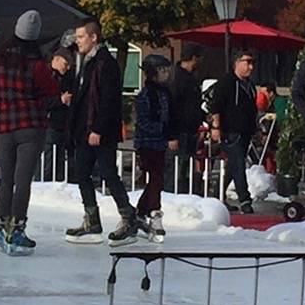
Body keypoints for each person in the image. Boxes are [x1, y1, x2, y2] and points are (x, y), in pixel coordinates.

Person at [0, 10, 60, 254]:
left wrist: (0, 111)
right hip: (30, 126)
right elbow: (51, 92)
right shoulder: (37, 65)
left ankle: (2, 227)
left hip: (3, 127)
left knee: (5, 179)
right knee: (23, 181)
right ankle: (17, 228)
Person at [64, 17, 136, 245]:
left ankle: (128, 216)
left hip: (98, 131)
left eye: (81, 37)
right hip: (84, 130)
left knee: (108, 172)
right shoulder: (85, 61)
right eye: (77, 37)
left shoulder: (106, 63)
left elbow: (109, 100)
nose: (78, 42)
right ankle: (91, 218)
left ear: (94, 37)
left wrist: (98, 128)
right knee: (82, 173)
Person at [134, 54, 179, 242]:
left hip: (160, 142)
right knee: (155, 178)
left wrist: (171, 133)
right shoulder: (145, 95)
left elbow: (171, 116)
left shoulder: (165, 93)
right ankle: (154, 212)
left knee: (157, 179)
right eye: (162, 70)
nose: (166, 74)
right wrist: (165, 130)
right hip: (147, 143)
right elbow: (144, 122)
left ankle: (140, 211)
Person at [209, 49, 258, 213]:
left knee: (232, 166)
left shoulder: (249, 85)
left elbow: (252, 109)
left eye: (252, 63)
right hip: (231, 130)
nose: (251, 67)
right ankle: (245, 199)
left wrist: (255, 128)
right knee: (238, 164)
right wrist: (216, 126)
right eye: (247, 62)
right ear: (237, 63)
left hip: (246, 130)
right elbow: (215, 105)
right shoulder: (227, 82)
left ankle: (215, 196)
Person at [169, 43, 206, 191]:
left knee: (185, 168)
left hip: (190, 130)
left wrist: (202, 116)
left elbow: (193, 105)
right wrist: (171, 135)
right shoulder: (177, 78)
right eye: (199, 58)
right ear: (193, 58)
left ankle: (183, 195)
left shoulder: (190, 78)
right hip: (179, 132)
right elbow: (172, 107)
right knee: (177, 170)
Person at [44, 48, 75, 181]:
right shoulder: (46, 76)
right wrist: (60, 100)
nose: (67, 68)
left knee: (59, 162)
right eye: (65, 64)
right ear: (56, 59)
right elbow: (39, 101)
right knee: (48, 162)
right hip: (49, 124)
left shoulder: (66, 78)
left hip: (62, 124)